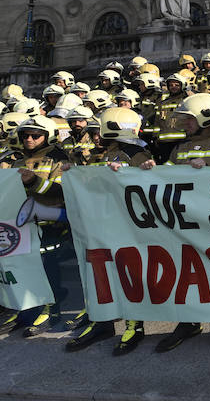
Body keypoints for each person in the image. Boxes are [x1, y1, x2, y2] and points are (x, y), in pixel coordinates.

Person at [139, 94, 210, 353]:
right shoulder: (180, 147)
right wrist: (153, 168)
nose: (184, 124)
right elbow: (167, 177)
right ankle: (188, 322)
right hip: (186, 222)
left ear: (205, 118)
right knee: (186, 272)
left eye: (189, 119)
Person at [64, 107, 154, 353]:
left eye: (98, 130)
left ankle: (134, 325)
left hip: (125, 224)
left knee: (128, 273)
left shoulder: (135, 153)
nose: (94, 136)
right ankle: (101, 321)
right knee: (100, 273)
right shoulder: (110, 152)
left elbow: (146, 187)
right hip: (102, 222)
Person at [10, 116, 70, 337]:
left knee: (48, 269)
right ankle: (30, 309)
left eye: (35, 135)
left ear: (48, 136)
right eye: (25, 135)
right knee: (29, 268)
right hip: (24, 226)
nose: (29, 139)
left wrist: (33, 182)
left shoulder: (58, 158)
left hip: (53, 224)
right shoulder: (18, 160)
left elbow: (61, 191)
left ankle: (51, 313)